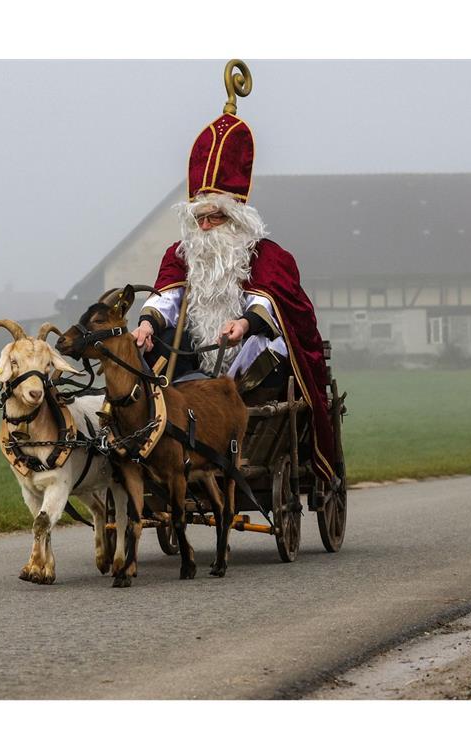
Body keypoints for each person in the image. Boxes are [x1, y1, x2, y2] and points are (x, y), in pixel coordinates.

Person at [130, 107, 337, 484]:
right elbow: (166, 298)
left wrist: (244, 323)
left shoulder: (269, 256)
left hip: (252, 356)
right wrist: (145, 323)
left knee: (261, 347)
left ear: (237, 218)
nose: (205, 228)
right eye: (199, 219)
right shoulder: (182, 254)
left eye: (215, 218)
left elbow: (270, 304)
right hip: (198, 355)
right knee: (150, 359)